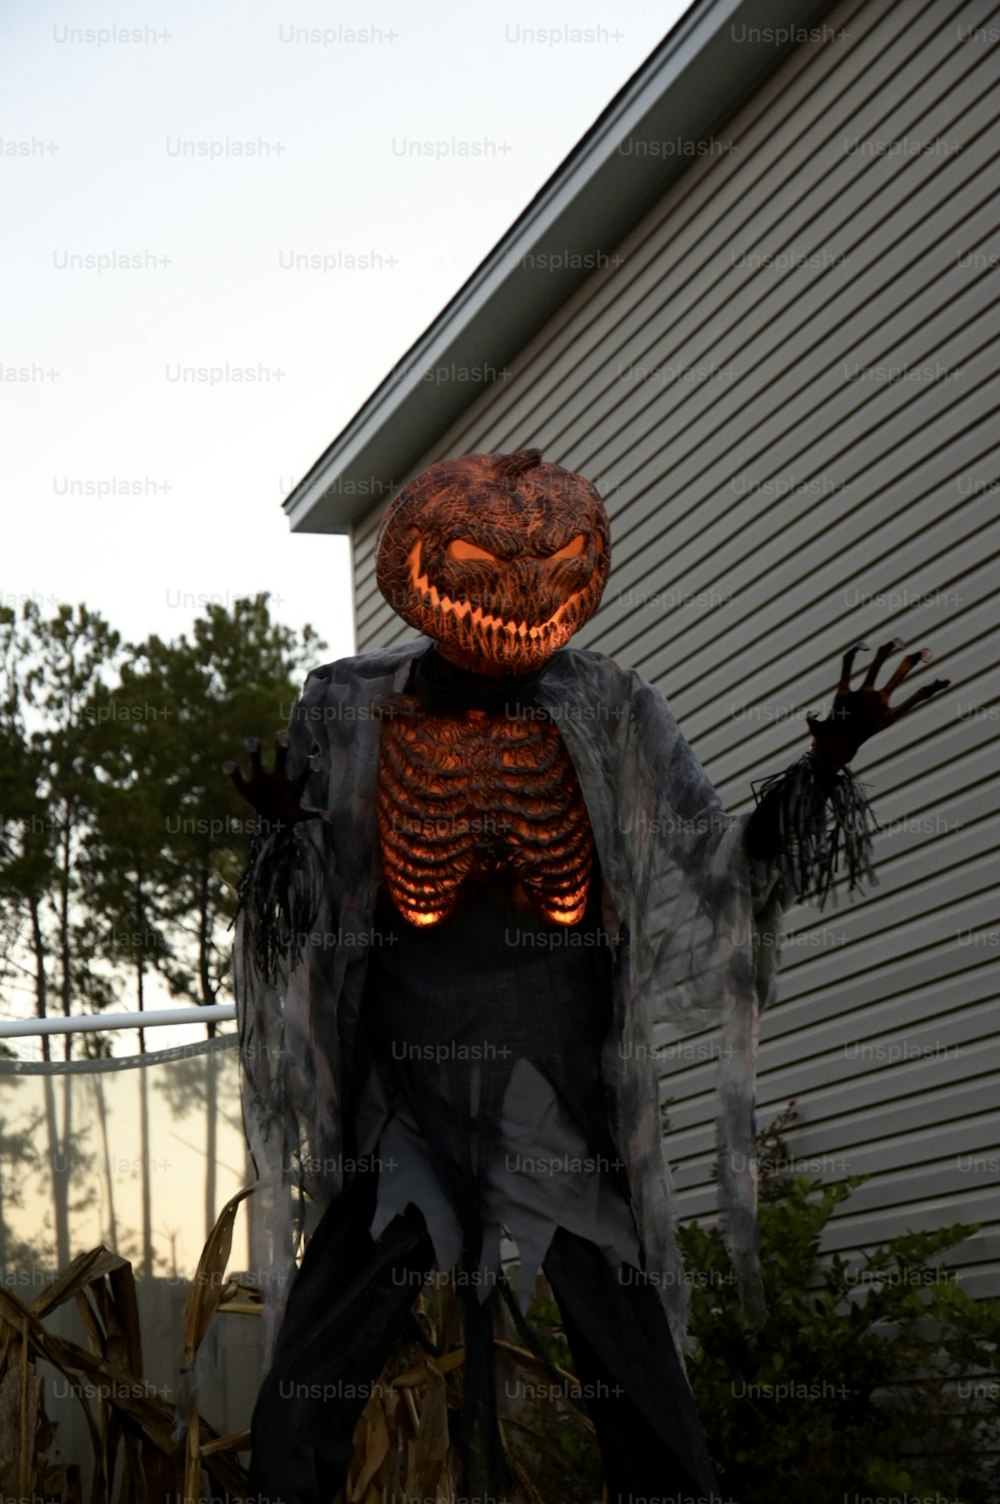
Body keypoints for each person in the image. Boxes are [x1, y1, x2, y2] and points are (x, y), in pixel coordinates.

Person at [227, 448, 948, 1504]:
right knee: (313, 1381)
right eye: (481, 563)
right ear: (423, 564)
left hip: (552, 1094)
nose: (519, 595)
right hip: (404, 1098)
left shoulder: (607, 700)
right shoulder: (343, 707)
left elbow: (719, 857)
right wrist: (280, 836)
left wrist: (819, 773)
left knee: (632, 1369)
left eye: (555, 565)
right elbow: (297, 915)